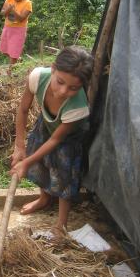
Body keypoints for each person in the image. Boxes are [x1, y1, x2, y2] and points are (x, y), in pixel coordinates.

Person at [10, 46, 94, 237]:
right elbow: (23, 110)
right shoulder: (38, 77)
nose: (63, 91)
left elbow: (56, 140)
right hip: (46, 123)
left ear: (82, 86)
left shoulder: (78, 107)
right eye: (60, 82)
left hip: (68, 137)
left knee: (64, 173)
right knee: (39, 160)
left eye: (73, 88)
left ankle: (61, 224)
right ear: (53, 68)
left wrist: (25, 162)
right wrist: (20, 147)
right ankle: (44, 199)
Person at [0, 0, 32, 75]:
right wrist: (8, 10)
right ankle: (18, 59)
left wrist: (13, 10)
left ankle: (9, 72)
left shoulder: (28, 4)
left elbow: (21, 18)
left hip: (19, 30)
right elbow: (2, 13)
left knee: (13, 53)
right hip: (8, 27)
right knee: (3, 50)